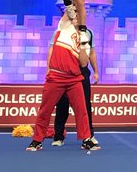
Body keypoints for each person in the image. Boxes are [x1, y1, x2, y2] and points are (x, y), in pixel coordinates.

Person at [27, 8, 99, 152]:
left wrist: (83, 44)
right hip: (56, 77)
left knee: (82, 110)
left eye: (80, 17)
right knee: (45, 110)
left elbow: (84, 63)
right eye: (76, 16)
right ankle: (37, 141)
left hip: (74, 79)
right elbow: (70, 8)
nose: (77, 18)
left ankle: (86, 139)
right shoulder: (63, 27)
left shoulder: (85, 36)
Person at [51, 25, 97, 146]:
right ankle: (58, 136)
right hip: (64, 72)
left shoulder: (88, 33)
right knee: (62, 104)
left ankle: (88, 137)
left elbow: (91, 52)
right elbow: (52, 51)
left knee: (85, 105)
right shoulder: (60, 32)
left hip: (82, 72)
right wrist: (50, 69)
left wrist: (96, 71)